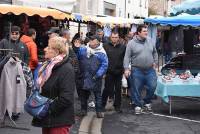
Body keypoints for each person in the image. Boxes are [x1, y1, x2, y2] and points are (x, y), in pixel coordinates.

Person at [32, 36, 75, 134]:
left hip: (59, 119)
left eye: (49, 47)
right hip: (48, 117)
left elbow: (66, 98)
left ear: (57, 51)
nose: (45, 49)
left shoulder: (66, 69)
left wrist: (47, 109)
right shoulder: (49, 66)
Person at [124, 25, 158, 115]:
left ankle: (146, 101)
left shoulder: (150, 40)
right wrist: (126, 68)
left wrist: (155, 62)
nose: (146, 33)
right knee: (136, 88)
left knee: (153, 86)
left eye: (146, 31)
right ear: (138, 32)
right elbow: (127, 57)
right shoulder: (131, 43)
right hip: (137, 70)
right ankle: (138, 105)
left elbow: (155, 52)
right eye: (144, 31)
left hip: (150, 69)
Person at [74, 35, 108, 118]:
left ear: (98, 42)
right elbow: (76, 56)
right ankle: (83, 110)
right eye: (91, 40)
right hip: (84, 76)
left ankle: (99, 111)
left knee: (97, 95)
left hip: (95, 77)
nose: (91, 41)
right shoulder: (83, 49)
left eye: (93, 40)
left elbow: (104, 65)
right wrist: (76, 48)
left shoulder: (102, 53)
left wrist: (98, 75)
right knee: (83, 95)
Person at [102, 31, 126, 113]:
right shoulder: (105, 46)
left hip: (119, 71)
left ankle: (117, 106)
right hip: (108, 71)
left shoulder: (123, 47)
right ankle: (102, 105)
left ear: (118, 38)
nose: (114, 39)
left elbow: (124, 59)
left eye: (116, 37)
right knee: (107, 89)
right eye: (113, 37)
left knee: (118, 89)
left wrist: (124, 69)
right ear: (110, 37)